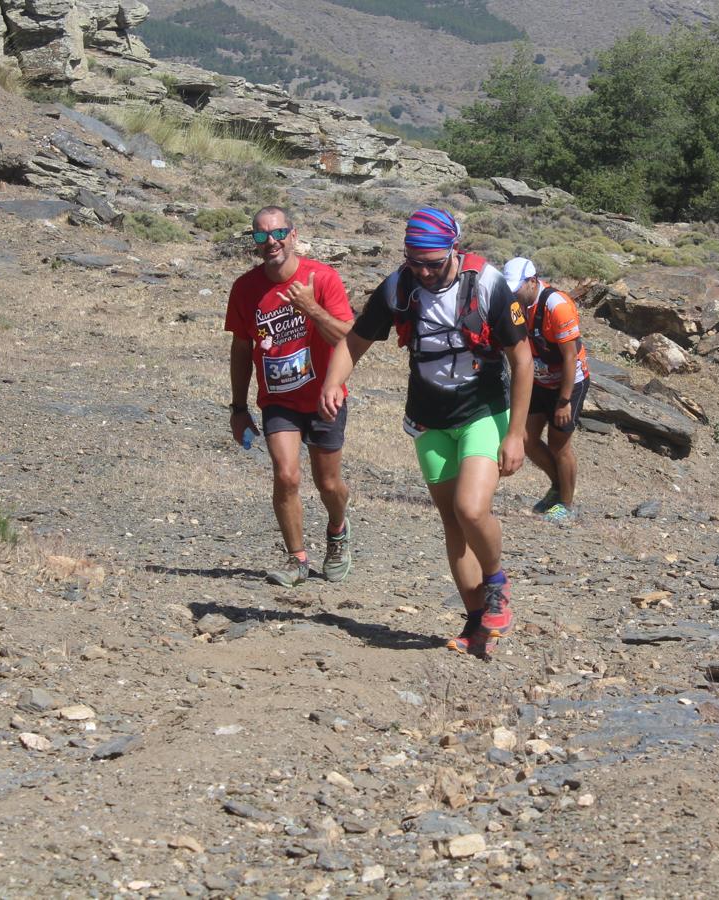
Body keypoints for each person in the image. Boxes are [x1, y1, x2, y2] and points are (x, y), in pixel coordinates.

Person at [319, 207, 532, 658]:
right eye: (416, 261)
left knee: (471, 509)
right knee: (453, 524)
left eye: (434, 262)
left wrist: (517, 434)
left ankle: (497, 586)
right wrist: (334, 382)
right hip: (428, 420)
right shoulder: (399, 287)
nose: (425, 271)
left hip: (483, 412)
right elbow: (353, 341)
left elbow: (523, 360)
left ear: (454, 249)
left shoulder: (489, 284)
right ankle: (477, 624)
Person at [225, 206, 355, 587]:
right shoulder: (245, 288)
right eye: (261, 236)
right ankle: (297, 559)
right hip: (278, 400)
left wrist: (310, 308)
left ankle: (338, 528)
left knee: (329, 484)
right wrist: (237, 407)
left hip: (323, 397)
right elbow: (240, 348)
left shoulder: (323, 278)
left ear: (293, 235)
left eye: (278, 233)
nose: (271, 242)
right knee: (286, 475)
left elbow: (348, 339)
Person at [502, 257, 590, 524]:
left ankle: (567, 504)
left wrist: (563, 402)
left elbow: (569, 357)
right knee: (526, 438)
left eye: (518, 288)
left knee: (558, 444)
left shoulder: (558, 306)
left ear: (532, 280)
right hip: (539, 380)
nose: (514, 294)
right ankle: (557, 487)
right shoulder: (516, 303)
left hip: (568, 382)